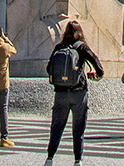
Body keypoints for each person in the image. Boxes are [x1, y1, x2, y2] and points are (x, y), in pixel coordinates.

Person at [44, 19, 105, 166]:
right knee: (78, 128)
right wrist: (96, 75)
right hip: (79, 92)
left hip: (60, 93)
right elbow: (98, 66)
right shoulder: (81, 47)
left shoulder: (59, 47)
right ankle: (77, 161)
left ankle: (50, 158)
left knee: (57, 127)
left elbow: (49, 69)